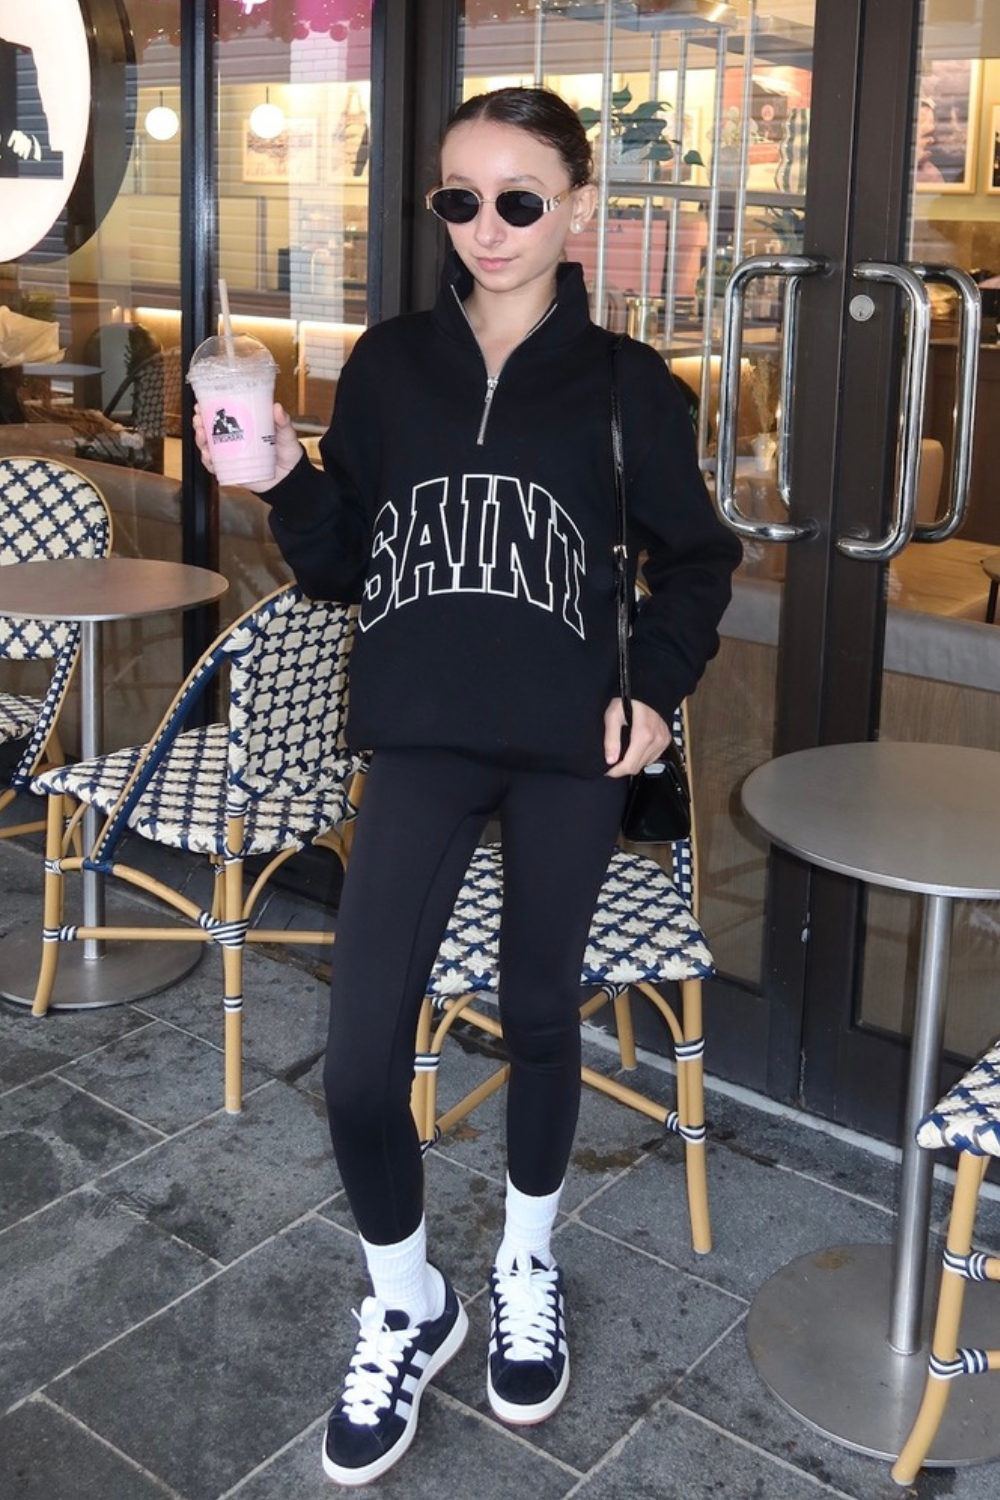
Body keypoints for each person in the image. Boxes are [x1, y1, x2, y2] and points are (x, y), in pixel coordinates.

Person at [195, 85, 741, 1488]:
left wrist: (653, 689)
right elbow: (345, 563)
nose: (486, 228)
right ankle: (408, 1302)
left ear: (577, 210)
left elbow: (698, 560)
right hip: (423, 737)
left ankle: (526, 1260)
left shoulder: (628, 386)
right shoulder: (390, 365)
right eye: (458, 199)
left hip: (568, 746)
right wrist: (280, 475)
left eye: (518, 200)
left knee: (540, 1010)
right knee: (360, 1055)